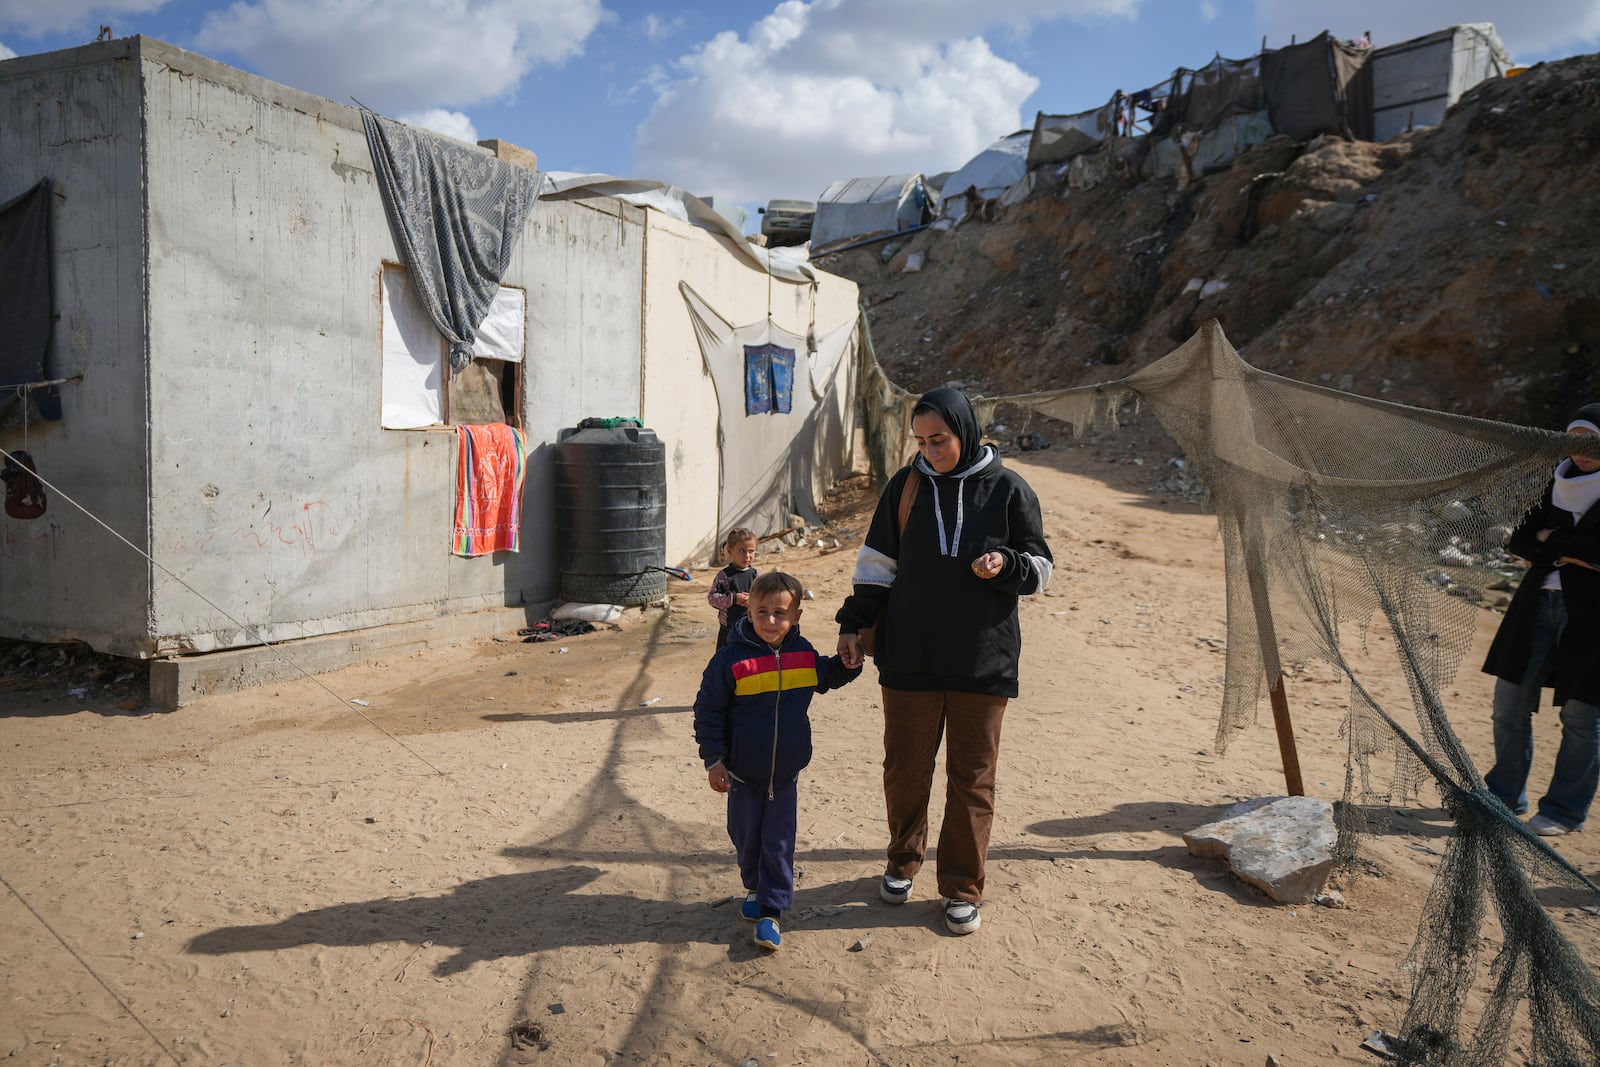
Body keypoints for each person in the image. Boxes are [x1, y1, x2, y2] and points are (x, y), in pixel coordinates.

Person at [834, 388, 1053, 934]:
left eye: (940, 440)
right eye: (922, 441)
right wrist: (851, 624)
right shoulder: (905, 488)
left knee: (972, 779)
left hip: (985, 661)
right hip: (911, 656)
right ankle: (902, 862)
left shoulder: (1008, 489)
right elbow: (876, 566)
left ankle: (961, 886)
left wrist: (1005, 564)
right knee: (904, 770)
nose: (930, 451)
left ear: (966, 432)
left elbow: (1042, 567)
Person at [694, 571, 861, 950]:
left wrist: (849, 664)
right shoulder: (729, 661)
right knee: (746, 837)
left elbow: (828, 674)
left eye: (780, 613)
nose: (771, 621)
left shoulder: (802, 655)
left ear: (796, 616)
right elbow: (708, 710)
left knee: (779, 841)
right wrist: (713, 760)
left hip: (785, 776)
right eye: (762, 612)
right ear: (748, 611)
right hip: (741, 773)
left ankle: (772, 911)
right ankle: (754, 887)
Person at [1483, 403, 1600, 836]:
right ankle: (1503, 797)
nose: (1582, 451)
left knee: (1582, 718)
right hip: (1535, 605)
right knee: (1508, 704)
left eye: (1592, 442)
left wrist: (1557, 541)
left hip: (1591, 617)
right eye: (1575, 441)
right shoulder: (1556, 483)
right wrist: (1573, 551)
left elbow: (1550, 543)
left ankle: (1564, 812)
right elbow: (1522, 540)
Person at [707, 527, 759, 649]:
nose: (747, 556)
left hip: (752, 629)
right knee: (725, 663)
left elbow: (765, 599)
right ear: (730, 551)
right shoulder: (724, 576)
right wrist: (734, 599)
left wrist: (753, 601)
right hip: (728, 630)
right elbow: (712, 598)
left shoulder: (757, 576)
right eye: (742, 551)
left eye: (751, 551)